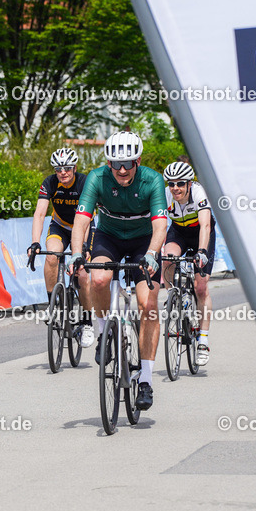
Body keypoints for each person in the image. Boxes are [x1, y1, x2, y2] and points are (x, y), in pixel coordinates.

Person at [70, 131, 169, 411]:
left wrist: (151, 254)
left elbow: (161, 225)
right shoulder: (97, 178)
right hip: (109, 236)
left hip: (143, 241)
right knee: (98, 279)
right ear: (108, 163)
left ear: (138, 161)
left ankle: (146, 379)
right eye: (115, 164)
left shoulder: (152, 180)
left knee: (147, 303)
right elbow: (81, 219)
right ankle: (103, 332)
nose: (122, 170)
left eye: (127, 164)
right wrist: (77, 253)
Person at [28, 147, 94, 347]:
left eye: (66, 168)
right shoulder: (49, 183)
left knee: (81, 273)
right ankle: (52, 304)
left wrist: (82, 247)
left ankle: (87, 322)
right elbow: (40, 214)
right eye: (58, 169)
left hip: (82, 226)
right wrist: (35, 242)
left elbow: (88, 219)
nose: (62, 172)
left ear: (74, 167)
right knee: (51, 256)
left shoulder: (84, 182)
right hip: (60, 226)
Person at [161, 161, 215, 367]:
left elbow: (205, 225)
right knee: (167, 258)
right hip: (179, 232)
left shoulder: (199, 193)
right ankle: (174, 295)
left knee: (201, 287)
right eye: (172, 184)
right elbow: (157, 222)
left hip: (201, 235)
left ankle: (202, 339)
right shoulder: (166, 194)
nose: (176, 188)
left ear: (189, 184)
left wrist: (202, 252)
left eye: (180, 184)